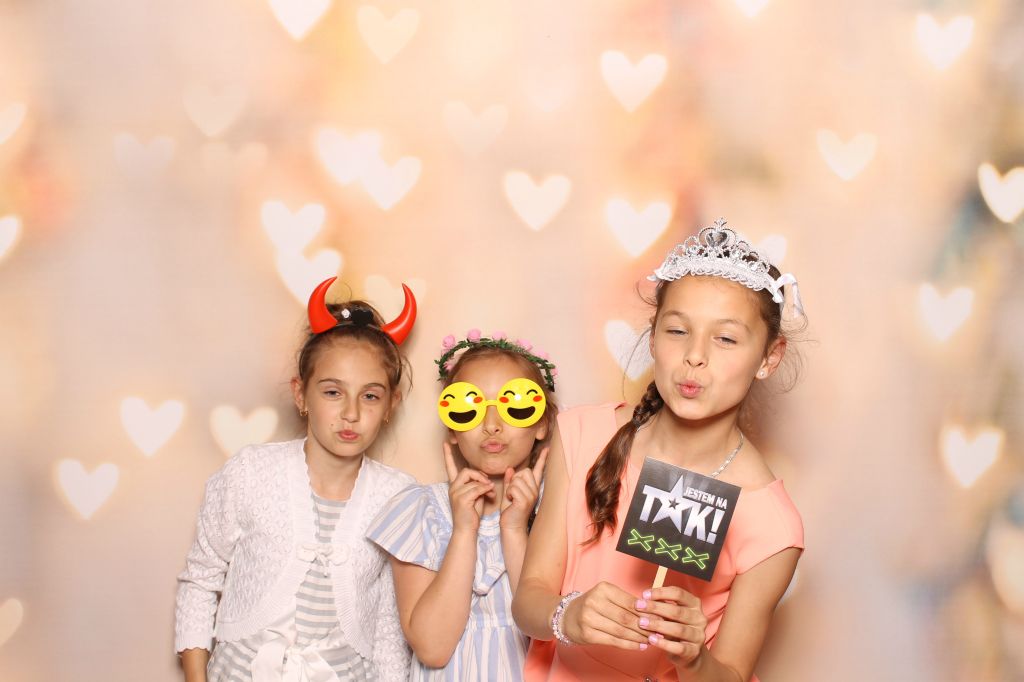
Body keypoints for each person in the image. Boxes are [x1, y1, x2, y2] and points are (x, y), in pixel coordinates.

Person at [513, 219, 806, 681]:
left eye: (726, 338)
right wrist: (567, 615)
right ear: (652, 338)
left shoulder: (772, 525)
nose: (696, 355)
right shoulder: (581, 435)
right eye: (677, 331)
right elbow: (528, 599)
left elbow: (732, 674)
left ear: (769, 358)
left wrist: (694, 658)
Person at [174, 276, 418, 681]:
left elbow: (389, 631)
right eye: (333, 392)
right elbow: (200, 580)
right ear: (301, 394)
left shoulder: (400, 497)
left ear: (391, 404)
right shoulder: (250, 472)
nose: (352, 413)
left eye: (370, 396)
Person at [366, 331, 558, 680]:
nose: (492, 426)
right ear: (452, 428)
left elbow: (550, 637)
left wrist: (514, 529)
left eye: (515, 405)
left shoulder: (559, 509)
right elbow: (432, 648)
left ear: (542, 423)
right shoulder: (421, 510)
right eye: (469, 408)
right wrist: (464, 531)